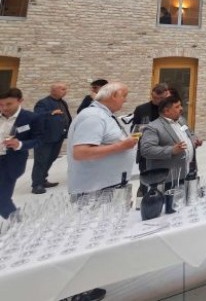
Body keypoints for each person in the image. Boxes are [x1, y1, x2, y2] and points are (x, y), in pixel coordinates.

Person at [65, 82, 138, 301]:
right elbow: (81, 152)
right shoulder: (93, 117)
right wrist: (121, 147)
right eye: (123, 95)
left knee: (98, 238)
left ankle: (87, 284)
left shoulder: (105, 116)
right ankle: (74, 292)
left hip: (108, 187)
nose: (125, 100)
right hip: (93, 190)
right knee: (87, 238)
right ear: (113, 95)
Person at [140, 96, 202, 185]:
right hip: (169, 179)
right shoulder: (153, 127)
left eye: (180, 105)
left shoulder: (181, 120)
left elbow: (190, 134)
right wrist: (171, 150)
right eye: (177, 107)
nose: (181, 108)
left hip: (190, 173)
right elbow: (146, 150)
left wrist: (195, 140)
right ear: (166, 111)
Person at [0, 88, 42, 219]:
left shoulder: (31, 118)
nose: (4, 108)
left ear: (20, 101)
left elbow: (39, 140)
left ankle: (17, 223)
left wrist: (20, 144)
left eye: (9, 104)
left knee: (2, 198)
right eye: (1, 104)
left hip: (9, 163)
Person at [31, 82, 71, 194]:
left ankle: (43, 180)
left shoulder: (63, 102)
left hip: (58, 136)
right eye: (62, 89)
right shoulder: (43, 103)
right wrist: (51, 113)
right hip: (45, 138)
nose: (65, 91)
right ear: (53, 90)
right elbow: (37, 117)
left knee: (50, 158)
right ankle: (36, 185)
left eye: (65, 89)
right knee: (41, 161)